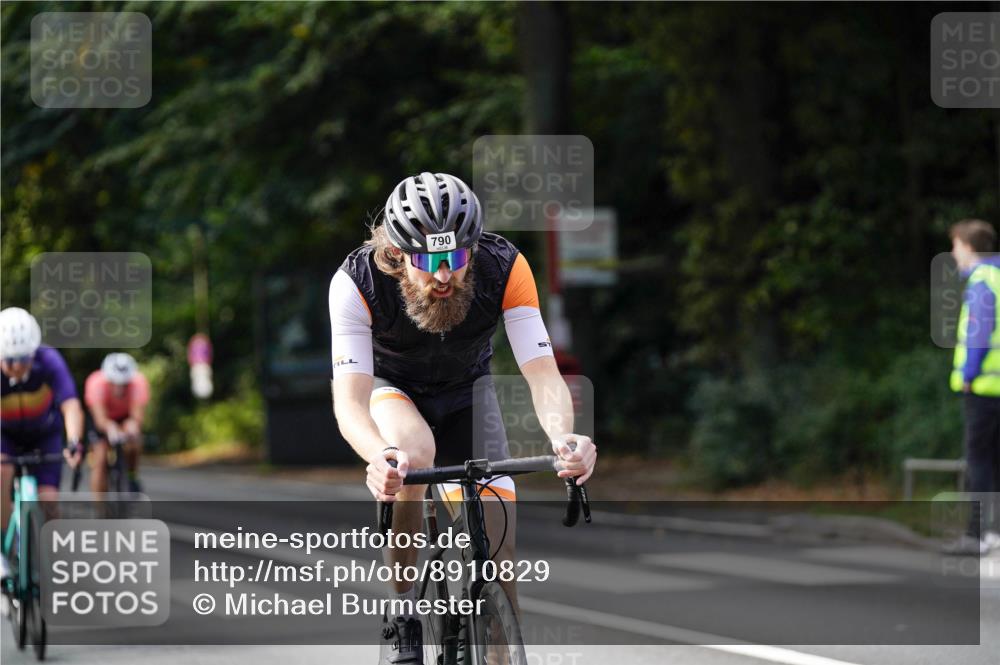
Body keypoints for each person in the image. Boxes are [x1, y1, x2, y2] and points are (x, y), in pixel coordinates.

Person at [329, 172, 597, 663]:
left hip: (468, 393)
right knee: (411, 455)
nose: (444, 275)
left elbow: (541, 373)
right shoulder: (356, 283)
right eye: (428, 262)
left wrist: (566, 437)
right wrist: (377, 456)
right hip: (394, 390)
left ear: (472, 249)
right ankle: (404, 612)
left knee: (499, 553)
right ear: (397, 253)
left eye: (455, 258)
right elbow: (349, 401)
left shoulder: (505, 268)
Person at [0, 307, 84, 581]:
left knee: (49, 499)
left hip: (44, 434)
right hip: (6, 435)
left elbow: (70, 405)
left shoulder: (49, 360)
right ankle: (5, 550)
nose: (16, 366)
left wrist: (73, 442)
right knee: (2, 472)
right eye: (9, 360)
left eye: (23, 358)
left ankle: (56, 560)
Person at [949, 219, 1000, 554]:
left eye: (955, 245)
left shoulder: (982, 280)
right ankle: (994, 534)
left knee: (979, 461)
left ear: (969, 246)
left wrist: (968, 373)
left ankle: (977, 534)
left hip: (984, 388)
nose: (953, 253)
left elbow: (979, 333)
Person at [84, 352, 150, 494]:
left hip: (125, 416)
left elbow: (137, 416)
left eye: (124, 384)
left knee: (134, 442)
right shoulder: (95, 382)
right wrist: (109, 427)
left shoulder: (139, 382)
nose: (119, 388)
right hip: (102, 419)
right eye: (114, 383)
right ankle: (101, 510)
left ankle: (131, 475)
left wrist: (132, 426)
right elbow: (100, 418)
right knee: (99, 460)